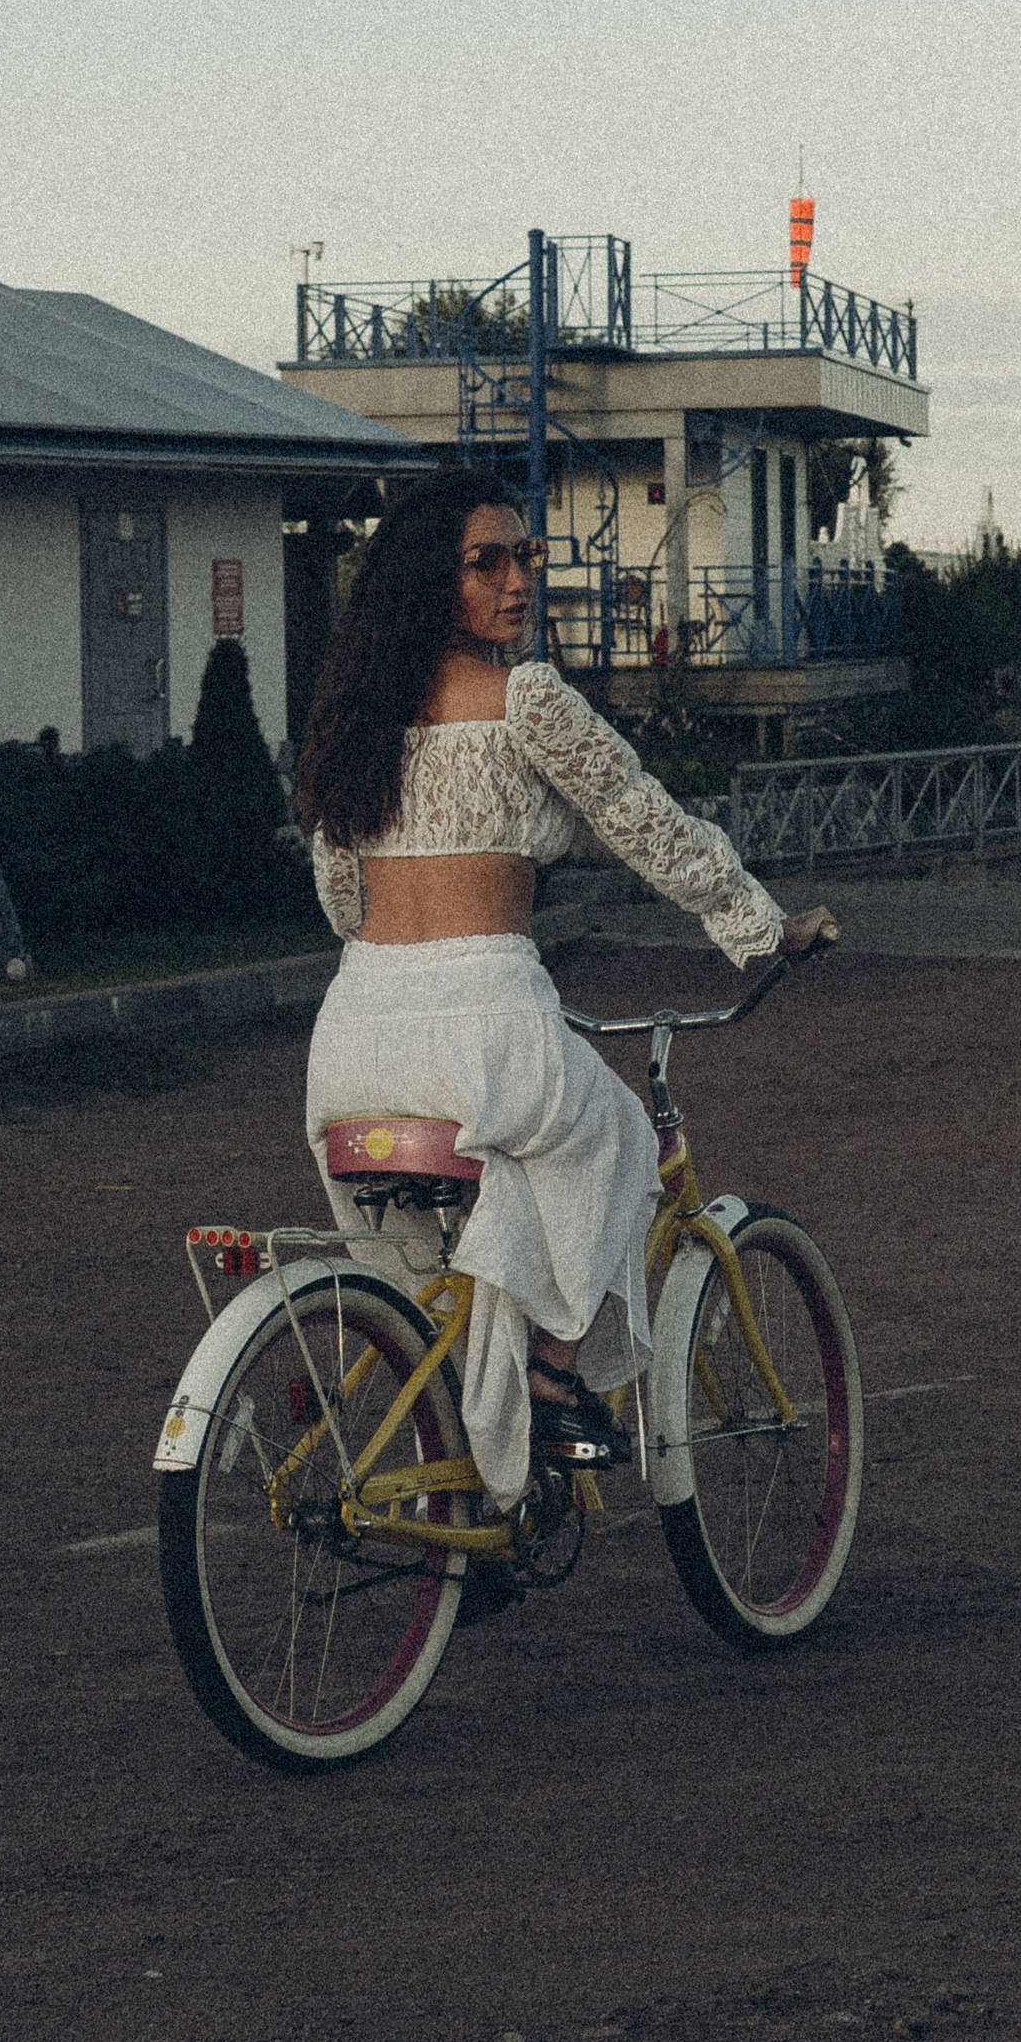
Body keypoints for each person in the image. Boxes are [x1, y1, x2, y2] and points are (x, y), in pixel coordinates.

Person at [295, 467, 835, 1512]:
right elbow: (647, 822)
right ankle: (548, 1379)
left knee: (443, 1277)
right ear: (429, 580)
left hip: (354, 1032)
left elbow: (340, 894)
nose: (517, 579)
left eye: (526, 555)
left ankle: (465, 1483)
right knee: (622, 1141)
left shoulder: (354, 719)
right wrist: (761, 926)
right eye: (485, 561)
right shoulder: (527, 699)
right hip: (487, 1022)